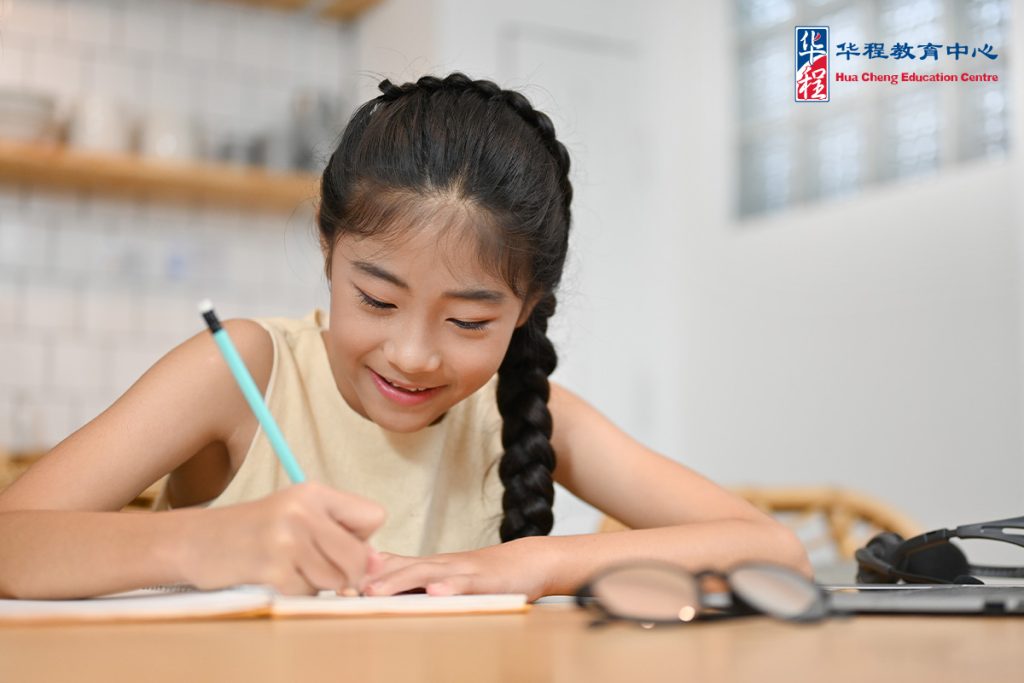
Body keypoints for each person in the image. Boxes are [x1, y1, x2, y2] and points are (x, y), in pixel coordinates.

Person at [0, 73, 809, 600]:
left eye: (468, 322)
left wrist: (525, 565)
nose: (415, 354)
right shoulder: (243, 368)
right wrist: (203, 542)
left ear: (527, 308)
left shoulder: (519, 410)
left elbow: (773, 551)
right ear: (328, 248)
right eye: (377, 300)